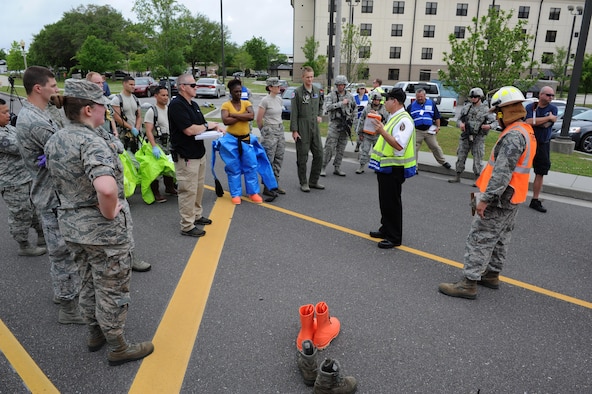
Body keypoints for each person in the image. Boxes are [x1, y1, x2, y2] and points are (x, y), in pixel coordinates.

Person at [44, 78, 154, 365]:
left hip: (71, 227)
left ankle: (95, 334)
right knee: (112, 287)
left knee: (88, 281)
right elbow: (106, 187)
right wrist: (109, 213)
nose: (106, 112)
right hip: (102, 232)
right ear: (89, 109)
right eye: (103, 108)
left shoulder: (56, 138)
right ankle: (118, 346)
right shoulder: (91, 141)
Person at [438, 86, 536, 299]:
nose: (496, 119)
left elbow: (501, 173)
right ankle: (491, 274)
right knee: (501, 237)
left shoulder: (513, 135)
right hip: (514, 195)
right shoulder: (525, 130)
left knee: (480, 236)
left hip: (500, 197)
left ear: (504, 111)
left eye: (498, 113)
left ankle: (468, 283)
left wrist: (486, 200)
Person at [15, 66, 84, 325]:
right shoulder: (34, 121)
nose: (57, 91)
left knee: (63, 251)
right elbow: (67, 147)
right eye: (53, 87)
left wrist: (57, 106)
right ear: (38, 88)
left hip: (56, 192)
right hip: (52, 195)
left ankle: (63, 292)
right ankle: (68, 307)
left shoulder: (41, 113)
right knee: (62, 253)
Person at [87, 71, 152, 272]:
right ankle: (116, 261)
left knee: (120, 223)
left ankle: (127, 257)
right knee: (111, 222)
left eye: (102, 82)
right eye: (97, 82)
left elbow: (109, 119)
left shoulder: (105, 102)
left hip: (114, 148)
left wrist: (115, 133)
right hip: (99, 185)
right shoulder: (86, 110)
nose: (101, 85)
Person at [169, 74, 221, 237]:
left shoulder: (194, 105)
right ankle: (187, 225)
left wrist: (215, 129)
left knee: (198, 188)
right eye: (193, 85)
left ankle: (196, 215)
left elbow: (201, 126)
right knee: (188, 191)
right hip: (186, 156)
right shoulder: (177, 105)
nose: (196, 87)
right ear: (182, 87)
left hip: (198, 153)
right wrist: (207, 125)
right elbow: (190, 130)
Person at [368, 88, 416, 249]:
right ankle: (385, 229)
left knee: (392, 203)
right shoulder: (394, 117)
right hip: (386, 167)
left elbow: (398, 146)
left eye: (386, 100)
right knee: (385, 201)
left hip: (395, 168)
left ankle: (394, 236)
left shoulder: (404, 120)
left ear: (394, 101)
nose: (384, 103)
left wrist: (382, 131)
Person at [218, 78, 277, 204]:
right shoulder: (226, 105)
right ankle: (235, 194)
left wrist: (233, 115)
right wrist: (241, 117)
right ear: (231, 92)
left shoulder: (246, 104)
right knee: (234, 168)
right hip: (232, 141)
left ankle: (253, 192)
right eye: (236, 92)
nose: (238, 94)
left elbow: (250, 116)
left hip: (246, 140)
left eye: (240, 91)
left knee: (251, 166)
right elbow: (225, 120)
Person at [0, 98, 46, 256]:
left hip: (26, 177)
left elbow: (23, 136)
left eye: (8, 111)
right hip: (12, 182)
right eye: (4, 112)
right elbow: (20, 146)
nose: (9, 115)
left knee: (35, 209)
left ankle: (42, 236)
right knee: (20, 212)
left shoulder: (7, 128)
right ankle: (23, 244)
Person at [448, 87, 495, 184]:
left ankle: (477, 179)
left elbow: (495, 122)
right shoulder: (466, 108)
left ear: (480, 97)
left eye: (475, 97)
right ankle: (457, 175)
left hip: (478, 137)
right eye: (471, 97)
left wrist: (489, 126)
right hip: (466, 136)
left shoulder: (486, 110)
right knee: (461, 155)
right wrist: (460, 124)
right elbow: (459, 120)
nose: (473, 99)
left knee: (478, 158)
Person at [290, 66, 325, 192]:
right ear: (303, 77)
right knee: (302, 156)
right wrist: (294, 130)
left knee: (319, 154)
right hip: (302, 125)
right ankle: (303, 182)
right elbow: (294, 112)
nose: (310, 79)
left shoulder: (317, 90)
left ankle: (313, 181)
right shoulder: (297, 92)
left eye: (311, 76)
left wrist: (319, 115)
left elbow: (321, 104)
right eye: (307, 77)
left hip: (314, 126)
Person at [525, 86, 558, 213]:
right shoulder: (531, 107)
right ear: (541, 95)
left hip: (543, 144)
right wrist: (547, 118)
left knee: (541, 171)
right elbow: (527, 121)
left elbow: (546, 125)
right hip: (529, 142)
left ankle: (535, 199)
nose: (551, 98)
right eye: (549, 95)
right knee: (519, 169)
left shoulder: (553, 108)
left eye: (552, 96)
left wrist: (539, 121)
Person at [144, 86, 177, 203]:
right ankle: (156, 192)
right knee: (156, 169)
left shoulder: (169, 109)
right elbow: (148, 130)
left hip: (168, 142)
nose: (165, 98)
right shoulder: (152, 111)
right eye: (162, 95)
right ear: (156, 96)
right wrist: (153, 146)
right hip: (157, 143)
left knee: (168, 166)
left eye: (167, 95)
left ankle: (169, 187)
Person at [321, 75, 357, 177]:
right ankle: (322, 167)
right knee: (329, 147)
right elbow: (327, 107)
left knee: (341, 148)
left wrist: (353, 121)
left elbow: (355, 108)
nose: (341, 86)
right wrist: (341, 103)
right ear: (336, 85)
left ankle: (337, 167)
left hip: (345, 125)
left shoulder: (350, 96)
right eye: (339, 85)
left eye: (343, 85)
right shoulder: (331, 95)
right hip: (335, 124)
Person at [407, 89, 452, 170]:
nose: (420, 98)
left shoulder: (431, 104)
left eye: (421, 96)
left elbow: (437, 116)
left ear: (425, 96)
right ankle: (414, 167)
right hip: (417, 131)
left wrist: (438, 127)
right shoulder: (411, 106)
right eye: (418, 97)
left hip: (429, 130)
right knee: (414, 149)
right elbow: (407, 119)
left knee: (435, 146)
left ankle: (443, 162)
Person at [257, 77, 286, 196]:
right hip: (270, 130)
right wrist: (264, 131)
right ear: (270, 87)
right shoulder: (265, 101)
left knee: (279, 158)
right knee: (269, 159)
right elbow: (259, 119)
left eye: (279, 86)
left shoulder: (279, 99)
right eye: (277, 86)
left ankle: (275, 183)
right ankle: (267, 186)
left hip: (279, 129)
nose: (279, 88)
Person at [355, 90, 389, 174]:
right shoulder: (367, 108)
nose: (376, 101)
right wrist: (360, 133)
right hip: (367, 134)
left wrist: (377, 114)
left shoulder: (384, 109)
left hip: (378, 135)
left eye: (377, 100)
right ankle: (361, 166)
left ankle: (376, 167)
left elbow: (387, 120)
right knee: (364, 151)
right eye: (374, 100)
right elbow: (361, 120)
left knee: (377, 153)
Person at [111, 75, 142, 152]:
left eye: (134, 85)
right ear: (124, 84)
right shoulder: (117, 99)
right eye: (131, 84)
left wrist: (137, 128)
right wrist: (131, 128)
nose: (133, 87)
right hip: (123, 133)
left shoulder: (135, 99)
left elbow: (139, 116)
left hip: (135, 135)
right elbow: (117, 118)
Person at [353, 84, 368, 152]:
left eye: (363, 89)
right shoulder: (354, 97)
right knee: (358, 132)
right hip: (356, 117)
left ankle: (361, 146)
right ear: (358, 90)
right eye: (360, 89)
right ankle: (358, 145)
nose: (362, 90)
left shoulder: (367, 98)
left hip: (364, 118)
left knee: (363, 132)